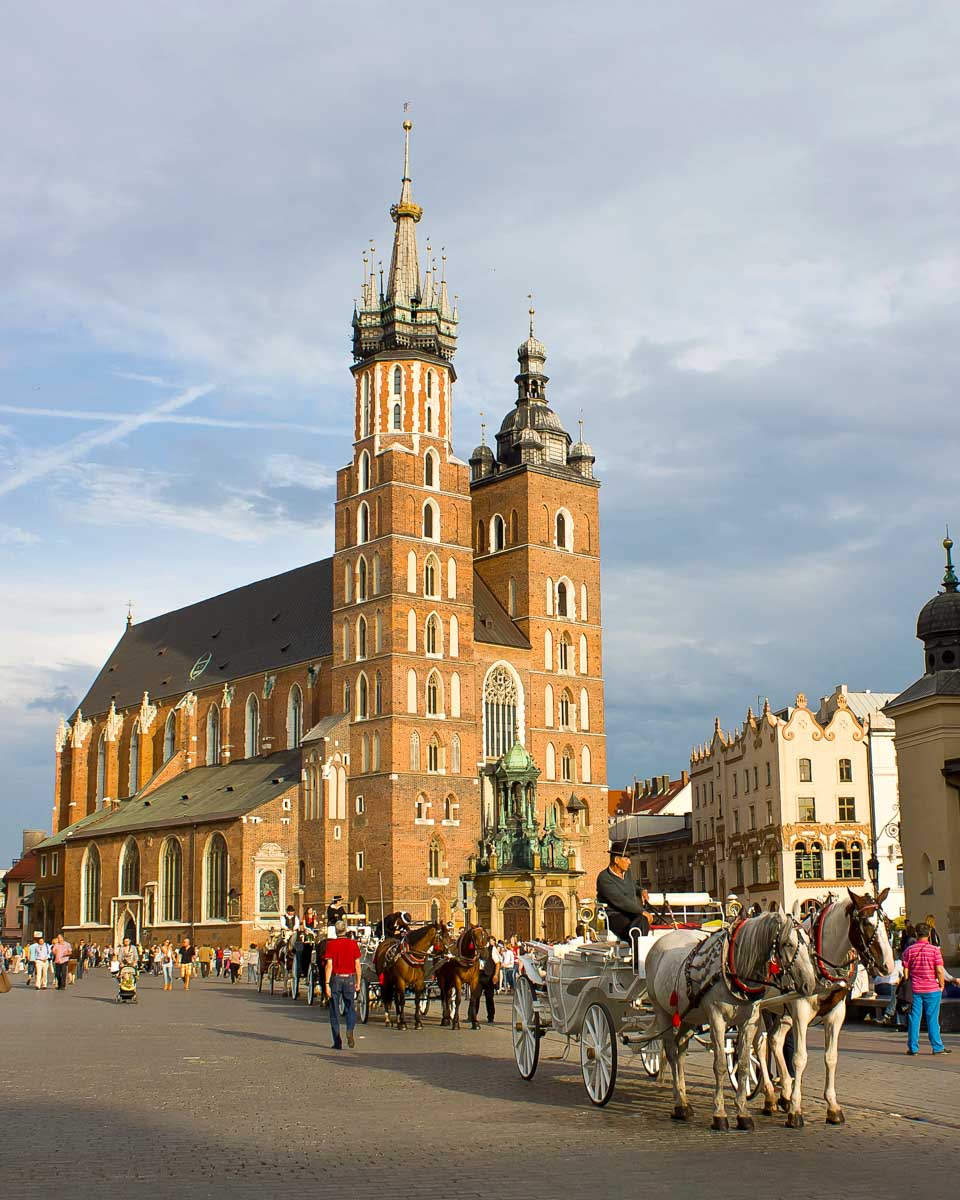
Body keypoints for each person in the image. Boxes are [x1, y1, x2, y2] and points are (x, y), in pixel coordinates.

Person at [902, 922, 950, 1056]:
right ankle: (937, 1047)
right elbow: (939, 970)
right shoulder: (935, 950)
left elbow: (906, 974)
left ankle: (913, 1048)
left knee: (914, 1019)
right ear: (929, 934)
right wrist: (941, 985)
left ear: (916, 934)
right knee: (932, 1019)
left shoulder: (909, 951)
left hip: (915, 990)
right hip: (932, 990)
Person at [596, 848, 656, 940]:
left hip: (631, 913)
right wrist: (642, 911)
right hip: (615, 916)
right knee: (637, 927)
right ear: (616, 860)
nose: (630, 862)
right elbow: (620, 900)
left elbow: (632, 885)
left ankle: (638, 949)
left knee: (642, 921)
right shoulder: (604, 878)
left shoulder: (627, 873)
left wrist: (641, 890)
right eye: (627, 859)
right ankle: (638, 951)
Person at [324, 919, 361, 1050]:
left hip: (336, 978)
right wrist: (358, 981)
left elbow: (329, 965)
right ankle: (350, 1029)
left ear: (335, 931)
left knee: (334, 1010)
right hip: (349, 978)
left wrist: (327, 983)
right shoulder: (353, 944)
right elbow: (357, 965)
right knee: (350, 1007)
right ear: (346, 930)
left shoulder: (331, 945)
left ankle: (337, 1041)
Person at [478, 938, 501, 1023]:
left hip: (488, 976)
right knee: (475, 996)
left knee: (489, 998)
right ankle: (472, 1016)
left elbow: (498, 963)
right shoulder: (477, 949)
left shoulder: (492, 949)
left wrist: (495, 975)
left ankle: (490, 1017)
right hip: (478, 975)